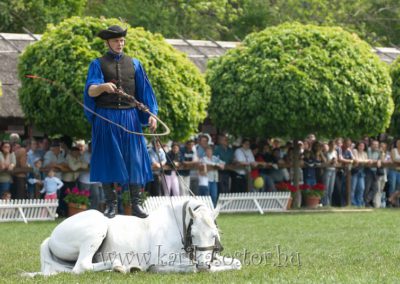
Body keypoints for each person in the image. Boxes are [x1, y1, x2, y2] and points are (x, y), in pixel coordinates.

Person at [84, 25, 158, 218]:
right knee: (108, 159)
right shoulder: (97, 64)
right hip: (106, 117)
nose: (120, 44)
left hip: (130, 117)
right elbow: (90, 91)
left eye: (122, 40)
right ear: (108, 42)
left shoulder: (135, 64)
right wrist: (101, 87)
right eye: (116, 41)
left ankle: (135, 204)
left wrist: (152, 114)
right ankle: (111, 205)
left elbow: (145, 93)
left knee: (135, 159)